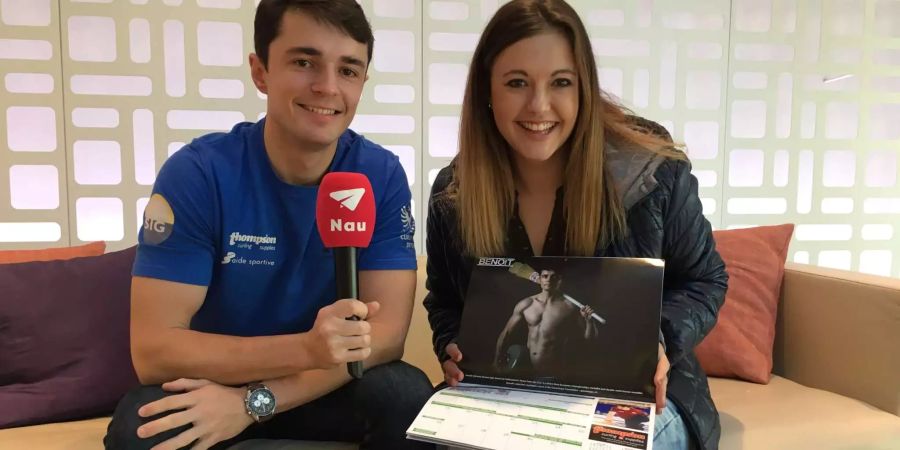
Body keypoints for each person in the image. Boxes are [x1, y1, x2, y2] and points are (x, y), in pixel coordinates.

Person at [103, 1, 434, 449]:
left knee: (407, 398)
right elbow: (154, 352)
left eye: (349, 70)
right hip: (215, 383)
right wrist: (303, 349)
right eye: (304, 62)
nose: (327, 87)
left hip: (322, 386)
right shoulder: (199, 173)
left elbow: (386, 336)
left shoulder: (378, 174)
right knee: (140, 431)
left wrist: (253, 403)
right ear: (261, 72)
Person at [422, 1, 728, 449]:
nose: (539, 105)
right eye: (516, 83)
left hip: (636, 398)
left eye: (561, 82)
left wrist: (656, 339)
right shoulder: (455, 191)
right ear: (487, 90)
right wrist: (451, 344)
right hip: (507, 396)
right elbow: (447, 301)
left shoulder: (650, 170)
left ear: (583, 87)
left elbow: (705, 279)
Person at [493, 268, 599, 376]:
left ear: (559, 280)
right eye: (545, 276)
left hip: (552, 371)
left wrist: (589, 321)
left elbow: (588, 340)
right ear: (540, 279)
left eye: (553, 277)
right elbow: (506, 333)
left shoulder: (569, 307)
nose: (548, 280)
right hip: (525, 367)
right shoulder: (526, 304)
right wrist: (497, 360)